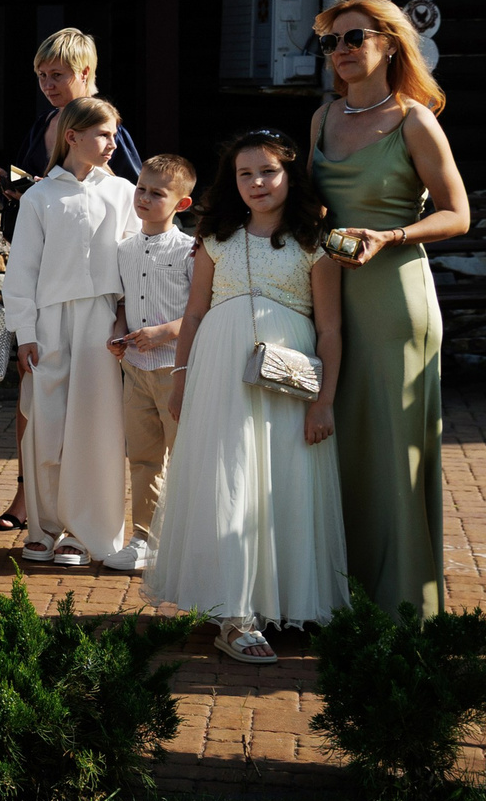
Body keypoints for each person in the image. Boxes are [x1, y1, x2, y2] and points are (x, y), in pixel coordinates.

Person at [150, 130, 350, 663]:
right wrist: (181, 376)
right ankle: (232, 613)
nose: (257, 183)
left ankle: (286, 599)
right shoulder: (214, 240)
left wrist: (324, 401)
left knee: (283, 479)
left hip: (288, 374)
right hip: (219, 370)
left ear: (290, 175)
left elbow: (330, 329)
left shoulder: (317, 244)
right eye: (245, 174)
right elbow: (193, 314)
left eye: (269, 171)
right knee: (230, 477)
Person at [306, 0, 469, 618]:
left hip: (396, 297)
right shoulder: (321, 121)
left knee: (393, 446)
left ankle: (403, 606)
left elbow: (459, 215)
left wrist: (390, 235)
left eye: (354, 39)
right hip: (328, 293)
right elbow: (315, 207)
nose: (341, 52)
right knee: (337, 440)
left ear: (389, 44)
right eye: (331, 43)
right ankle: (340, 598)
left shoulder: (414, 120)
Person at [2, 97, 137, 569]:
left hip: (102, 321)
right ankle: (43, 527)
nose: (112, 143)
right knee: (46, 426)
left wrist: (127, 319)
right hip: (48, 322)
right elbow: (21, 272)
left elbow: (134, 258)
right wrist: (25, 333)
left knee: (95, 427)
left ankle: (87, 530)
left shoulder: (122, 192)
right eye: (103, 134)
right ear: (73, 136)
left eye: (115, 134)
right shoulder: (40, 197)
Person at [103, 155, 198, 574]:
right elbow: (123, 304)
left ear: (182, 204)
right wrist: (120, 333)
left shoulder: (190, 251)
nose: (143, 198)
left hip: (177, 372)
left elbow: (205, 309)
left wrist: (165, 333)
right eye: (141, 188)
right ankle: (144, 538)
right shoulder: (123, 249)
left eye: (157, 193)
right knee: (143, 458)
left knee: (186, 456)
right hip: (136, 372)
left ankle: (190, 541)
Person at [13, 28, 145, 184]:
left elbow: (135, 192)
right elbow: (21, 176)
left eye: (57, 75)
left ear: (84, 73)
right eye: (42, 75)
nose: (47, 85)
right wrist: (4, 181)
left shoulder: (105, 125)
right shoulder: (44, 123)